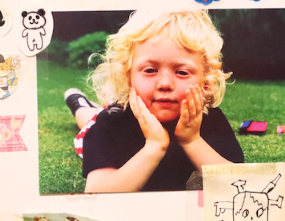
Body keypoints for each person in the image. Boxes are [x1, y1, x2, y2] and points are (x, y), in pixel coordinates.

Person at [65, 10, 244, 193]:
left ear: (205, 82)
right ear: (128, 77)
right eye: (150, 70)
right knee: (88, 121)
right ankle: (77, 103)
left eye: (182, 72)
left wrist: (191, 140)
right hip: (108, 115)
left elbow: (241, 183)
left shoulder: (210, 118)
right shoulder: (110, 122)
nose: (165, 84)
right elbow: (96, 192)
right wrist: (154, 146)